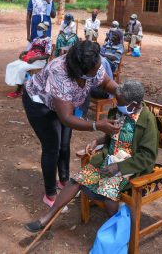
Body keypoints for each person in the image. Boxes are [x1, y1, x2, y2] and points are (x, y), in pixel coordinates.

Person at [25, 79, 158, 233]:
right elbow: (113, 136)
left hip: (130, 167)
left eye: (120, 102)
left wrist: (118, 167)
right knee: (76, 180)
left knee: (109, 196)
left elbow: (147, 156)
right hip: (109, 159)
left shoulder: (147, 121)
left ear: (134, 104)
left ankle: (116, 233)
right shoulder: (119, 112)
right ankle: (46, 219)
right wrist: (97, 141)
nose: (117, 104)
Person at [23, 40, 122, 208]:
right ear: (81, 72)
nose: (99, 70)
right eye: (95, 70)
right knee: (52, 147)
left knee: (64, 144)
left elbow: (105, 83)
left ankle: (63, 181)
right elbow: (66, 118)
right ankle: (50, 195)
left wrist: (123, 93)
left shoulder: (92, 63)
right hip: (39, 104)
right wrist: (98, 125)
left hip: (62, 105)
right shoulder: (59, 73)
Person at [5, 22, 52, 98]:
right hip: (30, 58)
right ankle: (15, 83)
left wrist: (35, 58)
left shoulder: (48, 40)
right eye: (37, 29)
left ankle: (19, 90)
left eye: (40, 29)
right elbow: (31, 50)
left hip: (39, 61)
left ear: (44, 30)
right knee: (11, 65)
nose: (38, 31)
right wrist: (24, 52)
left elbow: (47, 55)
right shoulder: (36, 39)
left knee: (21, 68)